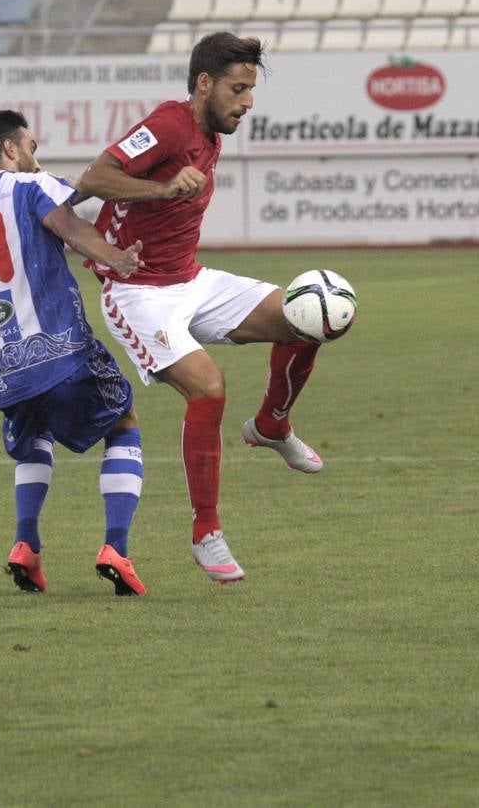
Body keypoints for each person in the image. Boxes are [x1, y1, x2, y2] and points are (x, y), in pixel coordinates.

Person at [77, 32, 326, 584]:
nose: (247, 102)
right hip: (137, 293)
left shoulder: (211, 132)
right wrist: (164, 188)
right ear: (205, 84)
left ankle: (271, 424)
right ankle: (205, 533)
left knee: (309, 316)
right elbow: (94, 179)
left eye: (251, 90)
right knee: (208, 386)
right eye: (238, 89)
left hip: (190, 280)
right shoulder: (170, 124)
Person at [0, 109, 150, 596]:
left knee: (33, 430)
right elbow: (65, 223)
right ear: (11, 150)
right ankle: (116, 547)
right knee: (124, 422)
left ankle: (26, 544)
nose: (36, 157)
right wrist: (114, 256)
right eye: (31, 146)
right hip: (60, 351)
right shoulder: (32, 187)